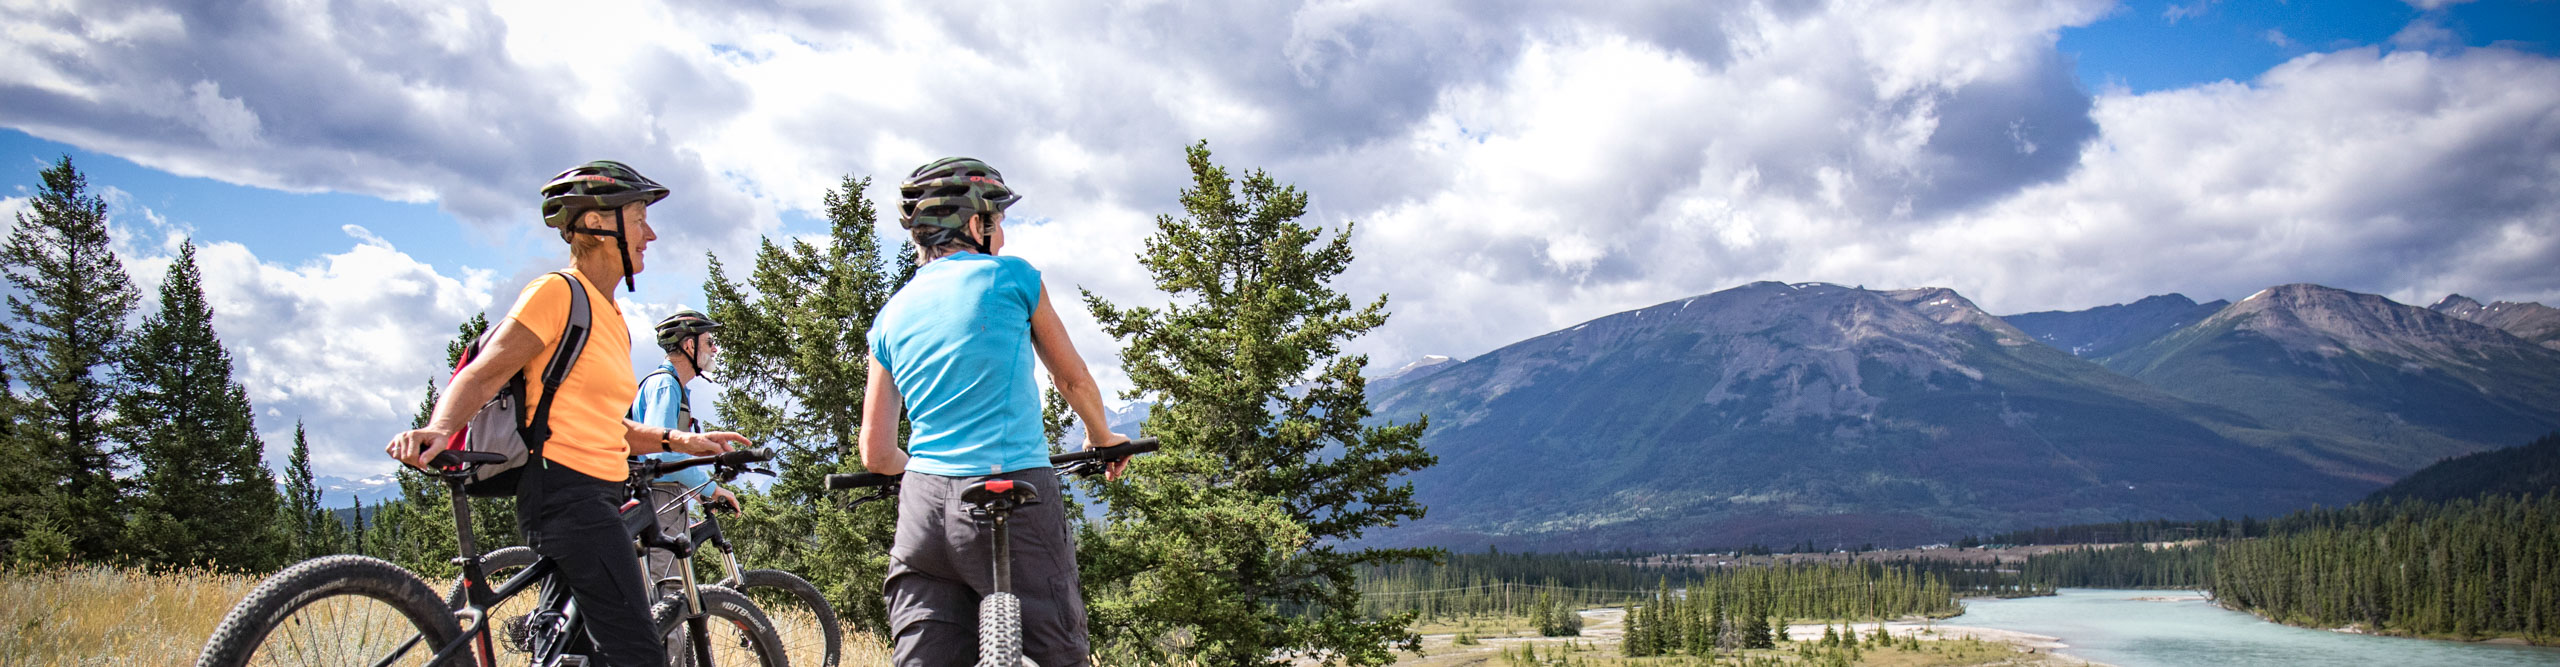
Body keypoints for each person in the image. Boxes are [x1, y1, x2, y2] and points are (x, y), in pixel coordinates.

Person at [385, 160, 750, 666]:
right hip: (570, 496)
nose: (651, 234)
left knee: (573, 657)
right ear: (598, 225)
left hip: (595, 495)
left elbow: (606, 425)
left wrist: (682, 441)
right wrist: (439, 428)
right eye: (639, 219)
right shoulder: (558, 293)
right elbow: (485, 373)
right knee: (639, 654)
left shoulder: (613, 317)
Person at [859, 157, 1130, 666]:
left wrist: (931, 472)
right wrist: (1103, 435)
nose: (1002, 236)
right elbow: (1071, 378)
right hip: (1013, 495)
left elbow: (875, 453)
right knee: (1056, 652)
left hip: (923, 514)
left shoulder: (890, 315)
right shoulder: (1013, 277)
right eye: (998, 221)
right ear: (974, 224)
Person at [630, 308, 740, 593]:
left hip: (665, 495)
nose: (715, 349)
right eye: (709, 341)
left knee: (670, 586)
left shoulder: (674, 387)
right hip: (659, 496)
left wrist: (698, 490)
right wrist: (709, 488)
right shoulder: (665, 385)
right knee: (669, 589)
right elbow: (661, 454)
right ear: (689, 345)